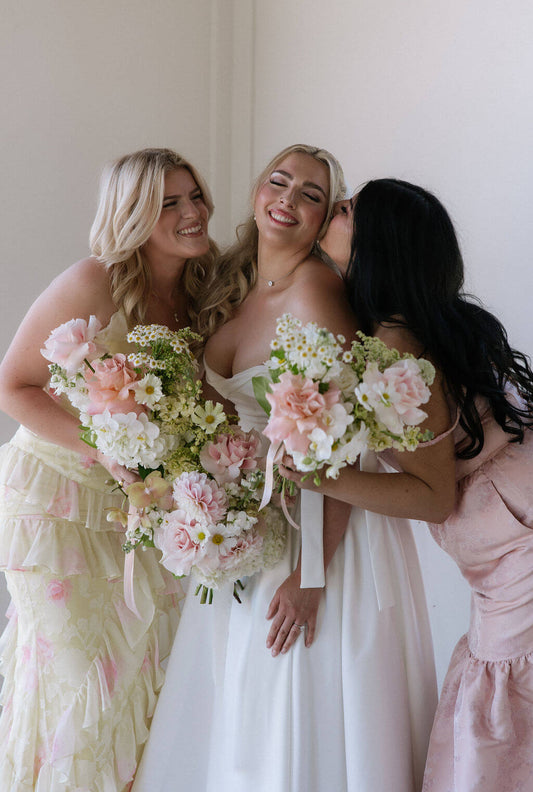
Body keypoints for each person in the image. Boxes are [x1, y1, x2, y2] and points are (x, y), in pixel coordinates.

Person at [133, 147, 437, 792]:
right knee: (237, 713)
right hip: (251, 528)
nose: (289, 200)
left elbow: (348, 444)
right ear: (256, 191)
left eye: (312, 195)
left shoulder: (317, 292)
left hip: (317, 537)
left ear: (324, 218)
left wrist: (311, 575)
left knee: (289, 704)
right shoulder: (231, 284)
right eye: (279, 182)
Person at [290, 178, 533, 792]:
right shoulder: (412, 326)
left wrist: (322, 475)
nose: (332, 212)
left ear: (379, 244)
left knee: (503, 710)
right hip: (511, 532)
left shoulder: (396, 347)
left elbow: (433, 496)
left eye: (347, 210)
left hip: (518, 546)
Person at [0, 148, 218, 791]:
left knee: (140, 685)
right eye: (169, 203)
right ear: (134, 215)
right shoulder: (92, 282)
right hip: (58, 508)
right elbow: (14, 385)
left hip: (141, 514)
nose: (192, 212)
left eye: (195, 195)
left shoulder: (202, 290)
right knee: (76, 689)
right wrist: (102, 448)